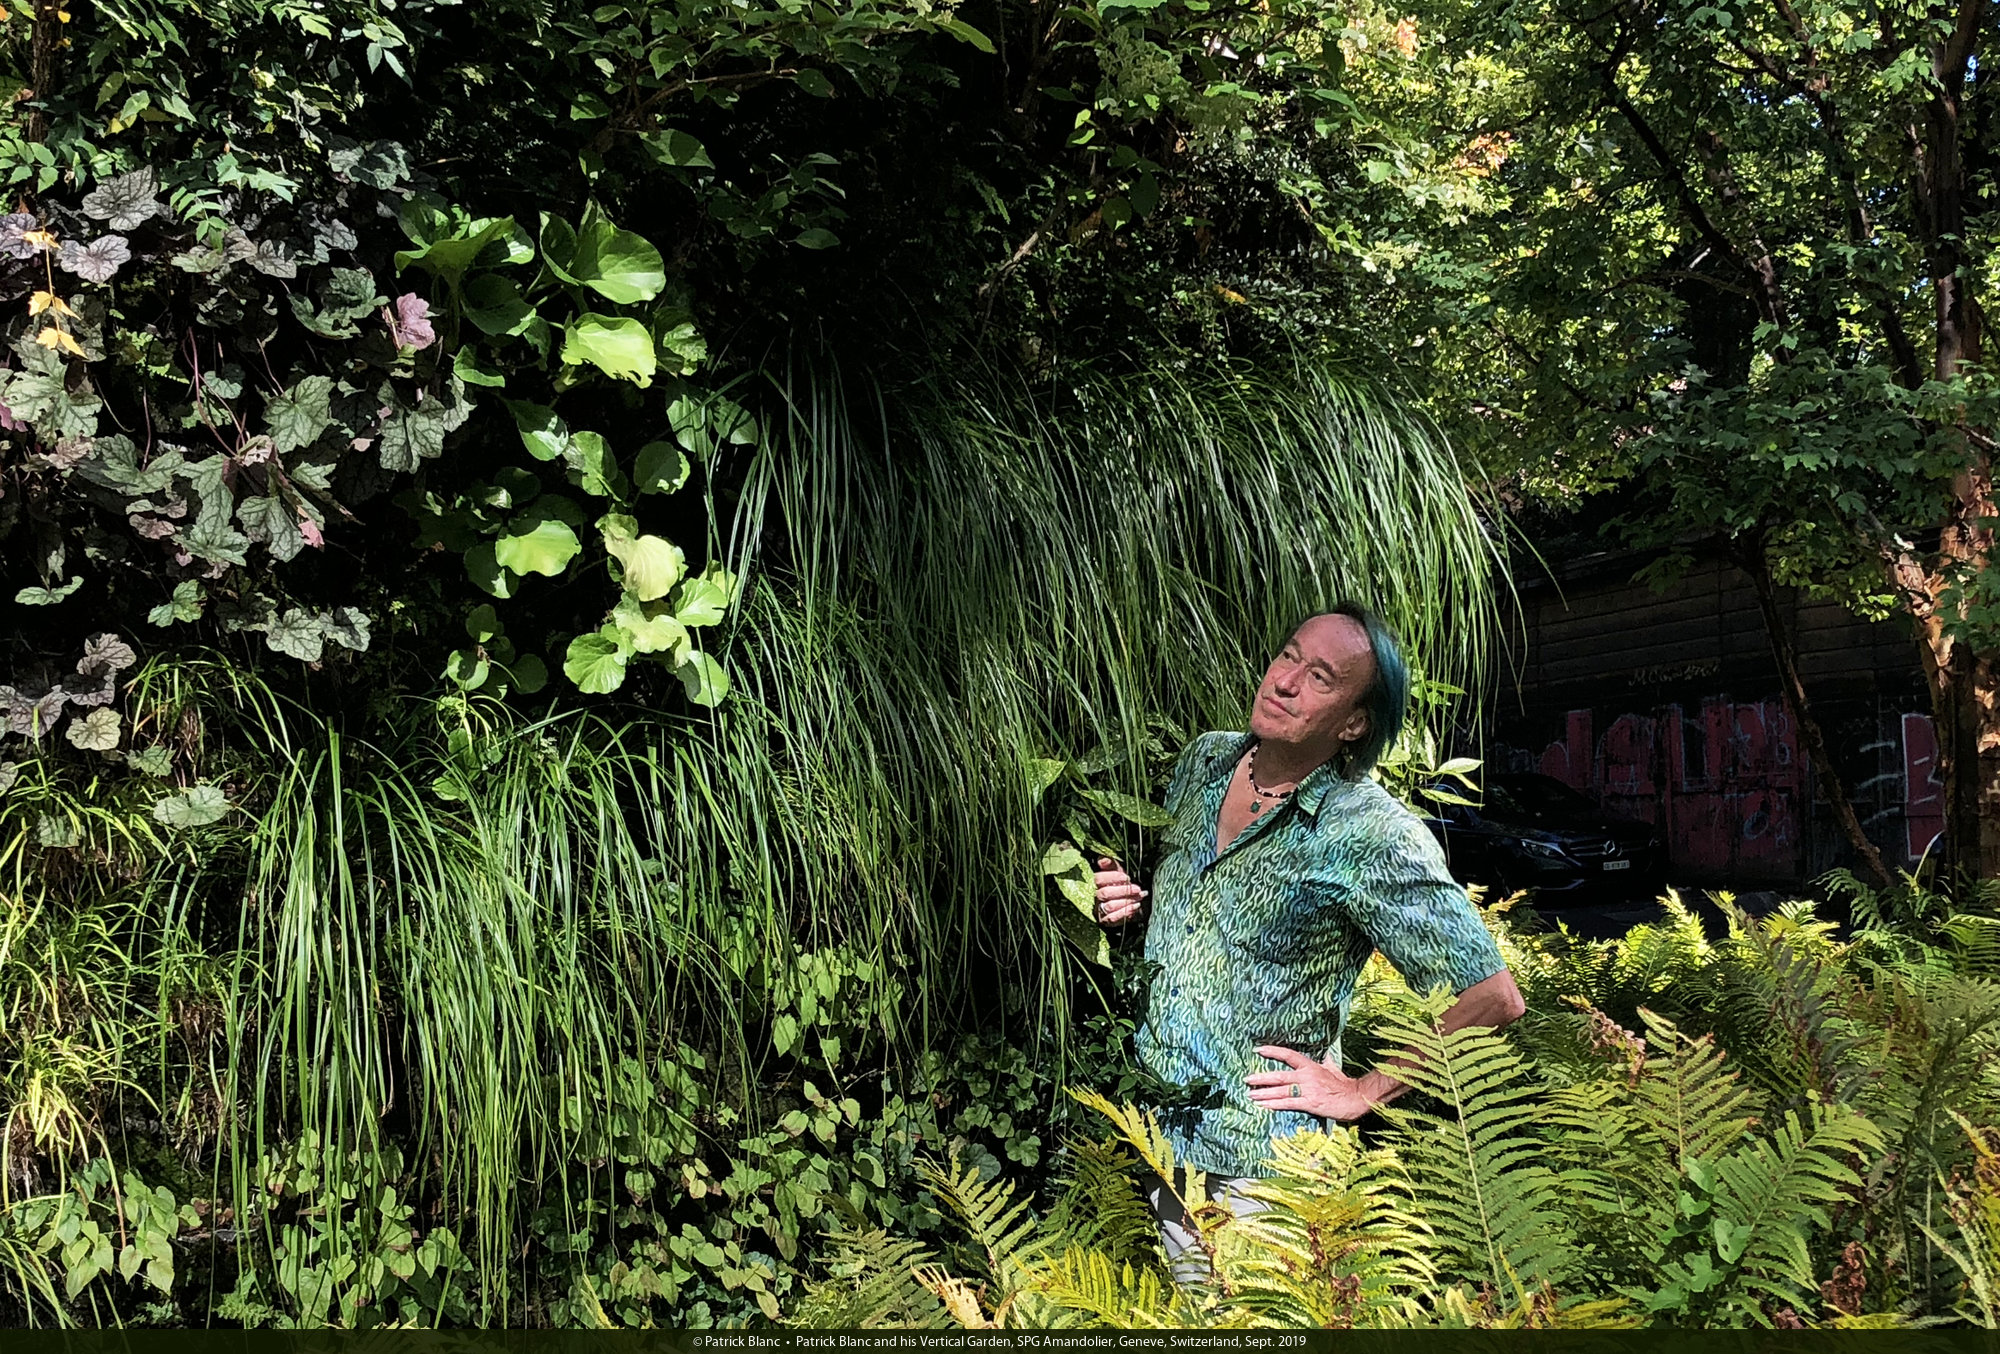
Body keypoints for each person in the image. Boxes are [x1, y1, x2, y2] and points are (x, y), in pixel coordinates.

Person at [1093, 604, 1524, 1270]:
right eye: (1288, 655)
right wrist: (1133, 902)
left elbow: (1492, 997)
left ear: (1353, 723)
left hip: (1261, 1168)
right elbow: (1202, 909)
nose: (1285, 681)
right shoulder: (1205, 762)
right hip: (1156, 1135)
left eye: (1320, 677)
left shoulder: (1371, 833)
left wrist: (1362, 1091)